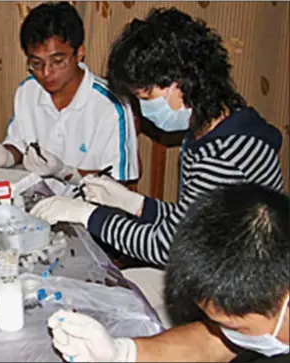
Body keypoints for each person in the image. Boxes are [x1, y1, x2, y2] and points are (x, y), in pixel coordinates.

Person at [30, 7, 284, 326]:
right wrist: (134, 204)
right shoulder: (208, 127)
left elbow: (169, 248)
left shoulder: (227, 151)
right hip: (209, 274)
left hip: (239, 299)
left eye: (146, 95)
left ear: (181, 81)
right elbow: (194, 221)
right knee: (102, 293)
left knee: (108, 312)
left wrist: (89, 215)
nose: (143, 108)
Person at [47, 183, 289, 362]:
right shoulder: (256, 317)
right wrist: (123, 353)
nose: (231, 334)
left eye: (238, 329)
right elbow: (212, 341)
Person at [0, 1, 139, 195]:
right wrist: (7, 156)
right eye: (36, 63)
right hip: (35, 204)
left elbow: (119, 184)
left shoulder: (112, 105)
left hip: (90, 212)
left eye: (57, 61)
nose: (46, 73)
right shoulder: (28, 91)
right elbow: (19, 144)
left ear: (80, 53)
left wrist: (66, 173)